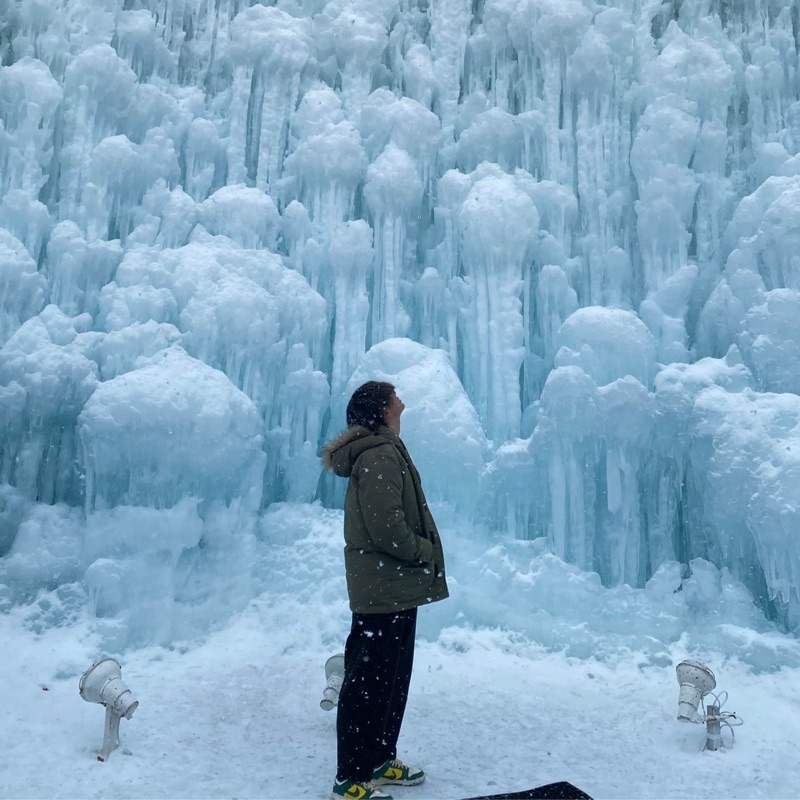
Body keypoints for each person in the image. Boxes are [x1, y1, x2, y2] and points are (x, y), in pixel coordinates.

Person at [322, 381, 449, 800]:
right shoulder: (378, 455)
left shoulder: (383, 450)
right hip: (384, 586)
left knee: (391, 679)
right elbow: (385, 525)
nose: (403, 400)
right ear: (380, 408)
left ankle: (378, 759)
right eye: (395, 395)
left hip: (393, 587)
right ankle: (351, 778)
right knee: (368, 682)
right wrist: (422, 551)